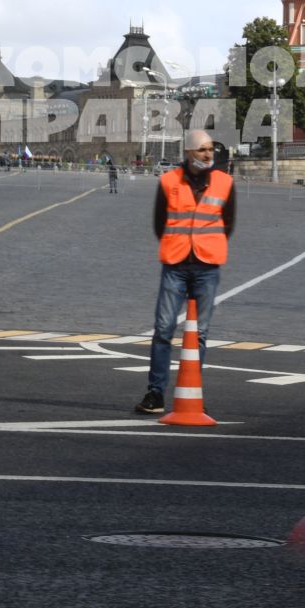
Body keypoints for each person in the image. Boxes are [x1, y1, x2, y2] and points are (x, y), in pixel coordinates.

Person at [134, 130, 235, 415]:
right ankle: (155, 393)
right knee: (163, 329)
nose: (208, 155)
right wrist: (176, 245)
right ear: (189, 153)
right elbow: (159, 222)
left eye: (211, 150)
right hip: (175, 264)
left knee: (199, 333)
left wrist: (206, 244)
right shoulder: (168, 181)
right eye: (202, 150)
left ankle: (191, 391)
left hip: (207, 266)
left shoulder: (224, 182)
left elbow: (228, 223)